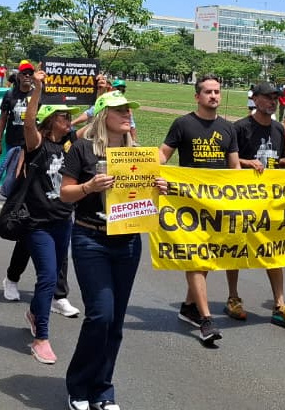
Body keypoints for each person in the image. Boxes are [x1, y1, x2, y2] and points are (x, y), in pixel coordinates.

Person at [59, 90, 166, 410]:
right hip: (91, 240)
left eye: (129, 110)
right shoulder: (82, 149)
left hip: (128, 242)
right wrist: (89, 187)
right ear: (104, 115)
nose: (127, 115)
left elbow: (144, 200)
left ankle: (103, 390)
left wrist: (159, 189)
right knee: (100, 315)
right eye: (120, 111)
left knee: (116, 322)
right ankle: (77, 386)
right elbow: (65, 194)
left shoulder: (139, 155)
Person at [158, 74, 236, 344]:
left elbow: (234, 170)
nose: (214, 96)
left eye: (217, 91)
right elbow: (162, 156)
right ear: (197, 96)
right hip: (186, 205)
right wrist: (148, 172)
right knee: (196, 257)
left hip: (216, 206)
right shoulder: (183, 124)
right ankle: (206, 320)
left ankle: (189, 307)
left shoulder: (228, 128)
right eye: (208, 92)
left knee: (207, 259)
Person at [232, 82, 285, 330]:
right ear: (255, 99)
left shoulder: (278, 129)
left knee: (274, 249)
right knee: (237, 248)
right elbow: (227, 160)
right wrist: (246, 162)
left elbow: (280, 158)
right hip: (243, 198)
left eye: (276, 97)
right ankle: (233, 297)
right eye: (267, 97)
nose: (272, 102)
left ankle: (280, 304)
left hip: (271, 201)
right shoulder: (240, 128)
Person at [19, 68, 76, 364]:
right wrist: (38, 90)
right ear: (53, 119)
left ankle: (33, 312)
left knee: (52, 277)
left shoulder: (70, 148)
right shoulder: (37, 145)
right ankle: (41, 337)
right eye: (65, 116)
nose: (69, 120)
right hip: (37, 224)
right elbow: (29, 121)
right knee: (48, 278)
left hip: (63, 222)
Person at [0, 60, 34, 206]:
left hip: (31, 145)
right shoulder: (9, 95)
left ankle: (26, 207)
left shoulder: (37, 95)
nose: (27, 76)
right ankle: (11, 207)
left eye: (30, 74)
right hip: (13, 143)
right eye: (24, 73)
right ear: (19, 76)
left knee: (30, 176)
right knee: (12, 176)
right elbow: (2, 119)